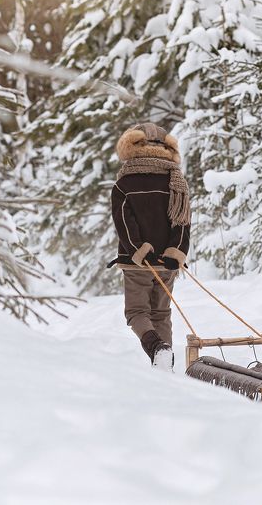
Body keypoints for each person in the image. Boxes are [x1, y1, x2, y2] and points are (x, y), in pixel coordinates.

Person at [108, 123, 191, 371]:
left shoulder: (125, 184)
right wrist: (175, 251)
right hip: (167, 262)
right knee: (161, 313)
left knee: (136, 313)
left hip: (137, 263)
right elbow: (183, 221)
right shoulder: (176, 181)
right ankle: (166, 365)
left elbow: (124, 222)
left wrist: (138, 249)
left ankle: (158, 349)